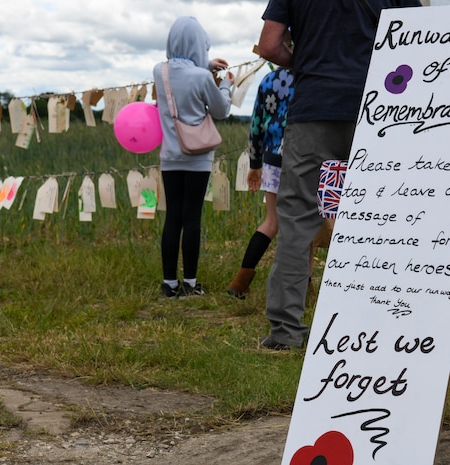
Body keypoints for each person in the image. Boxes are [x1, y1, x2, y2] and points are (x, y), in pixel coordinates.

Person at [256, 0, 421, 349]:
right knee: (382, 219)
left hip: (313, 108)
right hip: (379, 107)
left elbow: (270, 45)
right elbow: (419, 38)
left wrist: (305, 64)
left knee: (297, 219)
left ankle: (286, 332)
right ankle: (378, 324)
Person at [153, 16, 234, 298]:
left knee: (172, 216)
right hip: (199, 157)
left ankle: (169, 283)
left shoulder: (159, 71)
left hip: (170, 155)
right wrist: (224, 84)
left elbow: (180, 74)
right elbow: (221, 110)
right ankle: (190, 283)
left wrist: (206, 67)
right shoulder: (202, 77)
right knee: (192, 217)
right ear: (200, 43)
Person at [226, 65, 295, 300]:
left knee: (271, 222)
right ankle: (302, 288)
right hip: (304, 157)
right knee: (302, 227)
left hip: (273, 158)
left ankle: (240, 281)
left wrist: (255, 164)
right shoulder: (313, 73)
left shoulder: (269, 80)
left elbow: (256, 123)